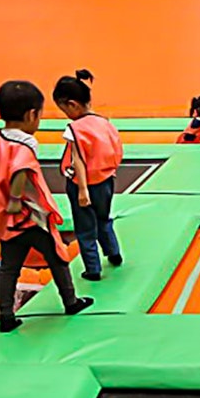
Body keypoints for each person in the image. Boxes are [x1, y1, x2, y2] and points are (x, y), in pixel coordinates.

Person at [0, 80, 93, 333]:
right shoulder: (26, 144)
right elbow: (20, 173)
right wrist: (16, 202)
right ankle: (70, 301)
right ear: (31, 115)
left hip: (3, 220)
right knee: (57, 257)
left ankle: (5, 315)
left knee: (8, 267)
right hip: (29, 218)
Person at [53, 70, 124, 282]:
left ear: (72, 104)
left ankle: (92, 269)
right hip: (106, 182)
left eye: (64, 109)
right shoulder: (105, 122)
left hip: (84, 185)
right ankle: (114, 252)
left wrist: (82, 190)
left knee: (85, 229)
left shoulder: (75, 128)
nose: (65, 114)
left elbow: (78, 161)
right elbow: (117, 149)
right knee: (104, 219)